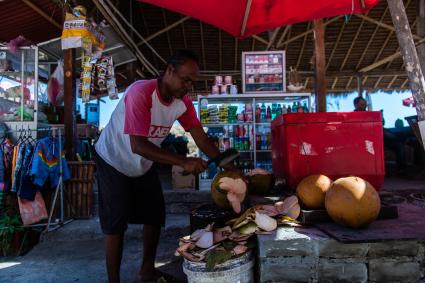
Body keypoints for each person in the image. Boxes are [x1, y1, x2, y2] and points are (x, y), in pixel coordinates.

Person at [94, 50, 227, 283]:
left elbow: (200, 137)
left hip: (142, 165)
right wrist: (183, 161)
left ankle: (147, 270)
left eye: (192, 82)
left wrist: (226, 164)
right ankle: (113, 280)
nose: (188, 86)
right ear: (169, 71)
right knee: (115, 223)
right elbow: (138, 145)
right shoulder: (141, 92)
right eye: (185, 79)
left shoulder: (183, 102)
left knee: (155, 215)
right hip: (112, 159)